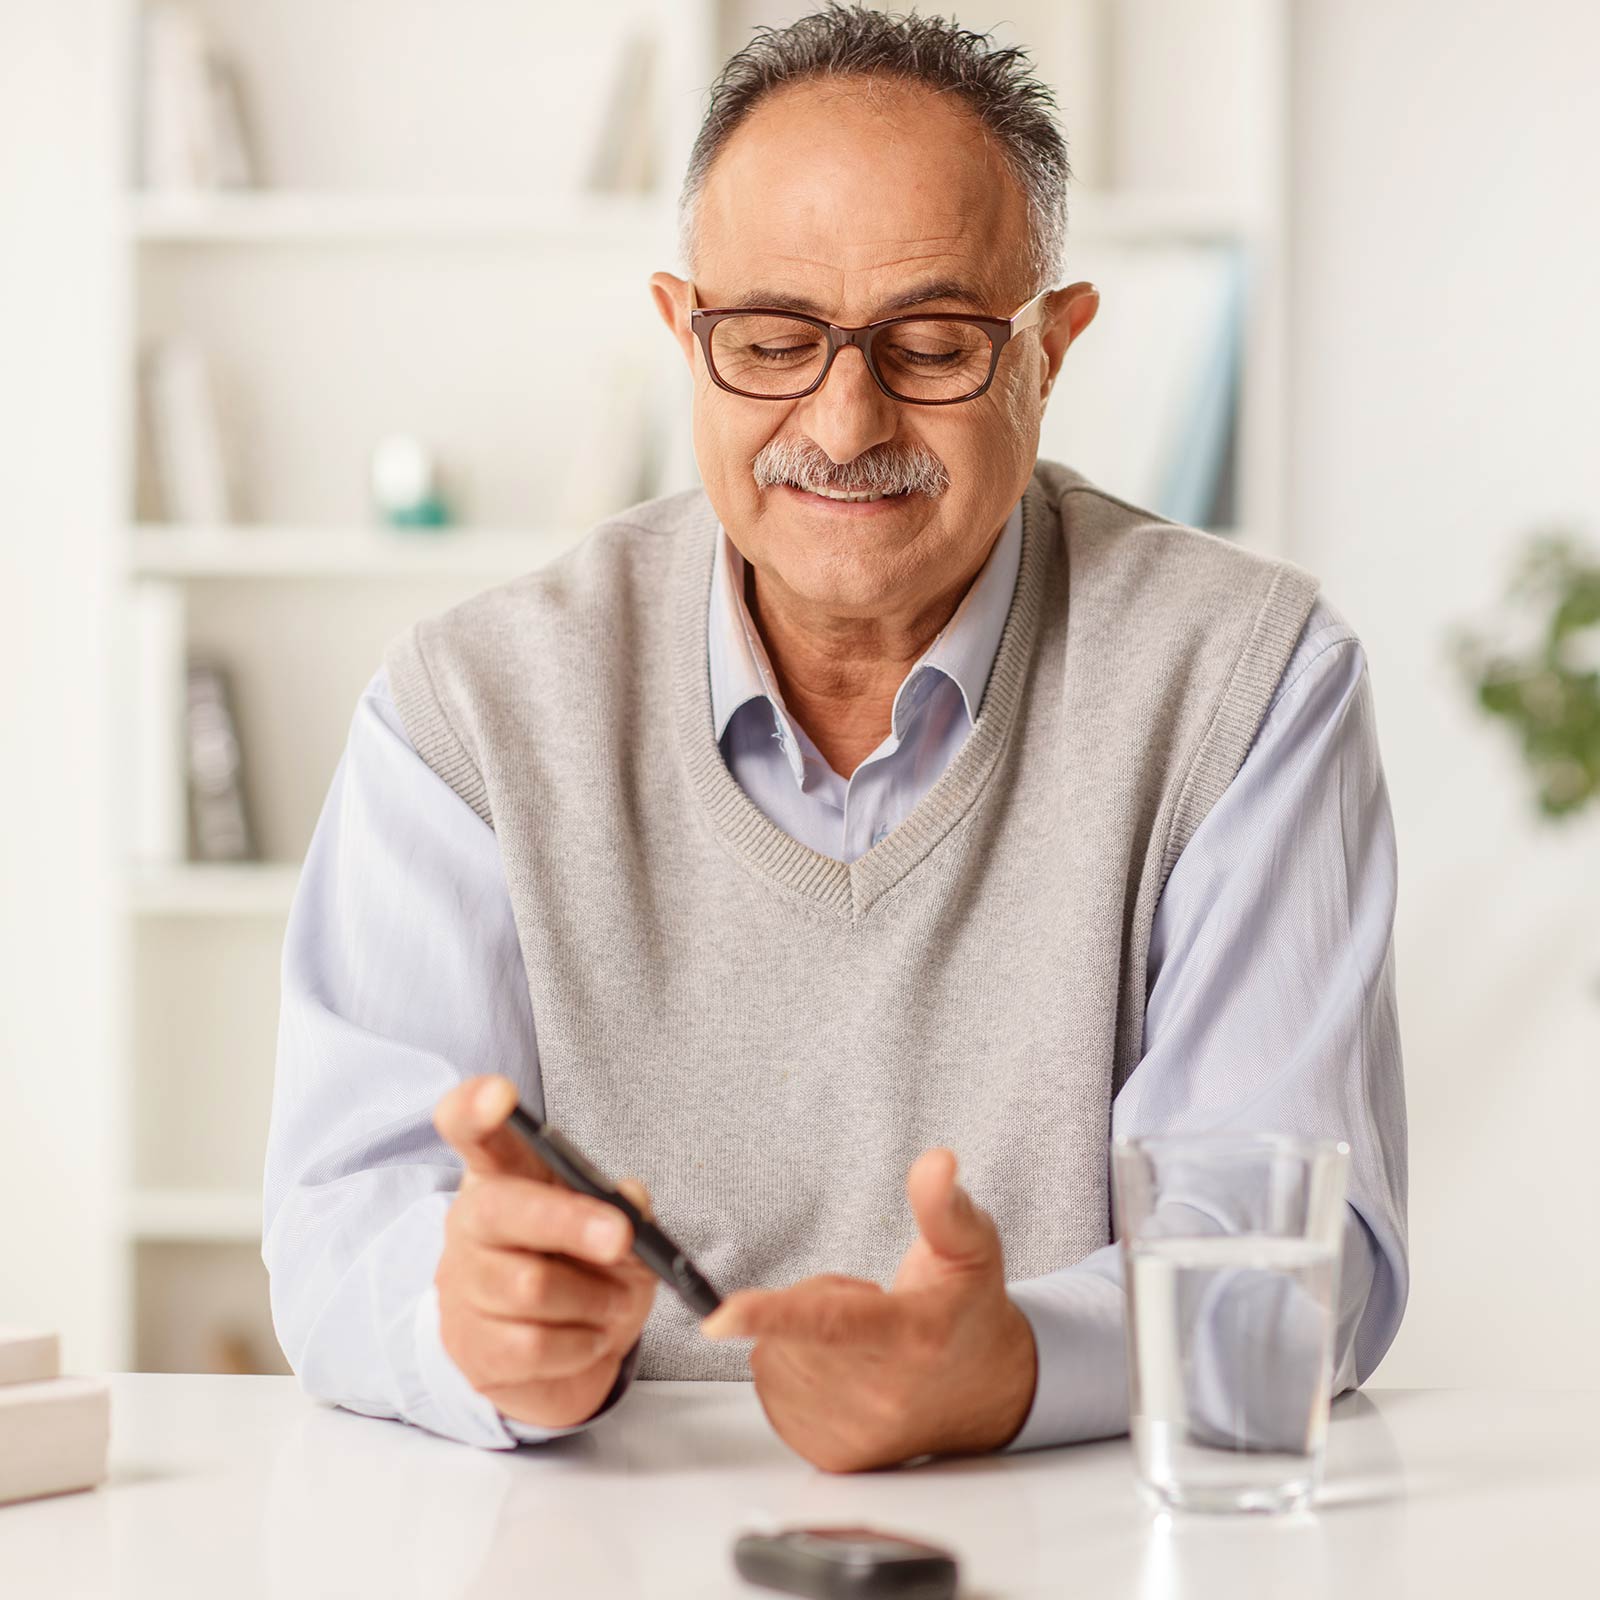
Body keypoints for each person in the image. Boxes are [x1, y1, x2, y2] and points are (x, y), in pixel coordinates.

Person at [263, 3, 1407, 1473]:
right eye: (771, 340)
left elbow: (1291, 1262)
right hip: (589, 1537)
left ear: (1049, 354)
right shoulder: (473, 707)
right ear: (686, 334)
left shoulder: (1251, 681)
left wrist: (1016, 1371)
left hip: (1088, 1531)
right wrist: (470, 1329)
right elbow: (342, 1221)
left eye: (931, 344)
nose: (844, 414)